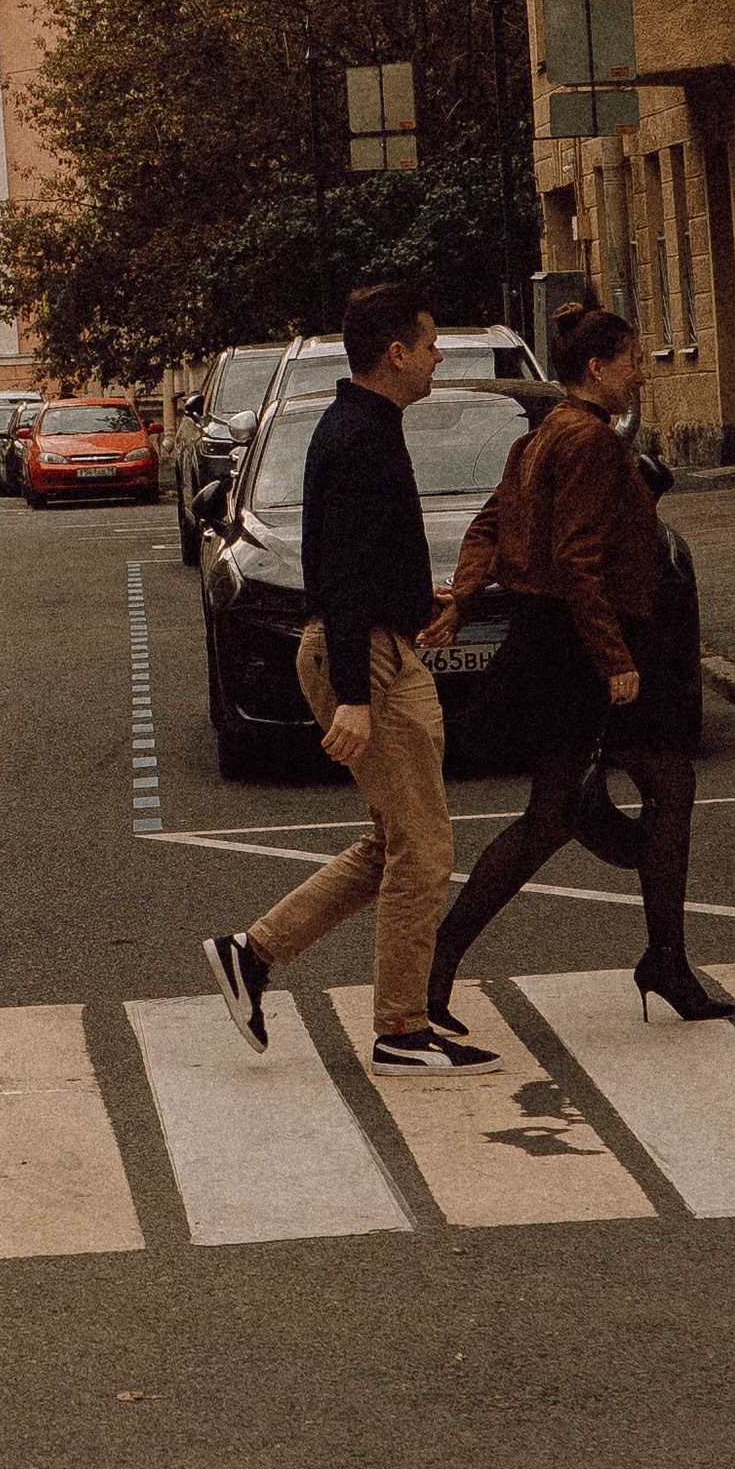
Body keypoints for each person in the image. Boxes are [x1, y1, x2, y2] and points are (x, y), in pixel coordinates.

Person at [205, 282, 494, 1076]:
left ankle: (252, 954)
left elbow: (358, 558)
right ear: (396, 353)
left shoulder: (362, 425)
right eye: (431, 344)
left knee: (395, 842)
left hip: (375, 643)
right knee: (425, 851)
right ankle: (400, 1029)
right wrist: (358, 699)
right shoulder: (361, 438)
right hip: (364, 657)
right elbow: (336, 579)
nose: (438, 357)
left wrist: (416, 600)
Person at [424, 302, 735, 1026]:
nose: (638, 376)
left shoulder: (539, 439)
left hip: (556, 638)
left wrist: (465, 597)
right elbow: (577, 558)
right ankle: (442, 959)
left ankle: (662, 959)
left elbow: (487, 526)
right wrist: (614, 658)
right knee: (569, 812)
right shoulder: (590, 442)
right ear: (597, 368)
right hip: (586, 642)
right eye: (630, 362)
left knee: (639, 791)